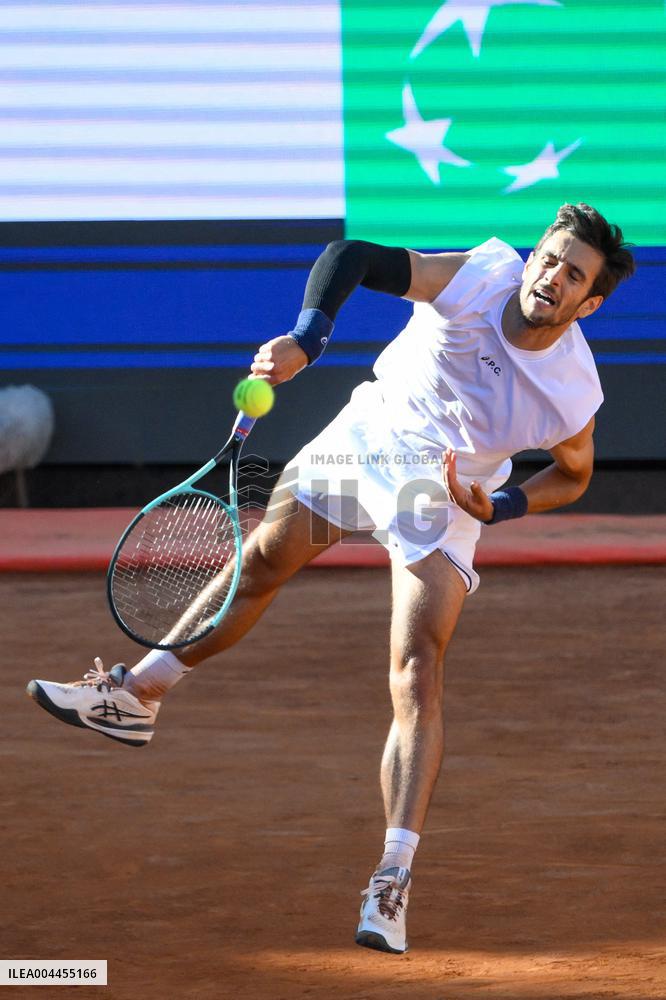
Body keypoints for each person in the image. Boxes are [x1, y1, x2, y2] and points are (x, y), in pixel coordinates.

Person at [28, 202, 635, 955]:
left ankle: (392, 877)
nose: (550, 276)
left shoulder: (571, 390)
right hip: (365, 445)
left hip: (433, 498)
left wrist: (503, 503)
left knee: (415, 675)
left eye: (572, 275)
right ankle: (135, 696)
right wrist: (307, 339)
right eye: (549, 257)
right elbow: (352, 256)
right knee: (259, 565)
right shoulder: (478, 277)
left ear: (590, 303)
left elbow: (573, 476)